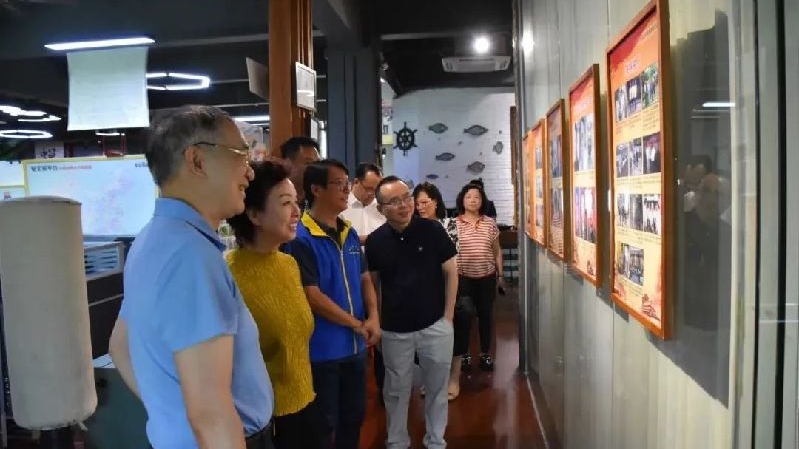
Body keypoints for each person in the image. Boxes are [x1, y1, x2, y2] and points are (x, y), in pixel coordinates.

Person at [108, 105, 274, 449]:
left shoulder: (153, 239)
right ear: (196, 161)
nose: (249, 173)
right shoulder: (191, 257)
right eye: (241, 155)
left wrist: (171, 410)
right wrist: (191, 417)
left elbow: (120, 346)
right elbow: (211, 415)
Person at [225, 161, 327, 449]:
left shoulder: (288, 264)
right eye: (285, 203)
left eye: (297, 202)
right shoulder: (230, 276)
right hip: (265, 422)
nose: (297, 212)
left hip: (307, 403)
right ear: (254, 214)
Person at [282, 159, 380, 449]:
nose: (346, 189)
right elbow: (311, 295)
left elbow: (364, 278)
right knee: (324, 426)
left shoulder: (349, 231)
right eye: (339, 184)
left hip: (356, 347)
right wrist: (356, 324)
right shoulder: (300, 238)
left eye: (347, 183)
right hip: (322, 350)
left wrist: (374, 317)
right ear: (316, 189)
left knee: (354, 418)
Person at [366, 176, 458, 449]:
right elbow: (373, 285)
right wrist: (377, 322)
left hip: (435, 324)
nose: (404, 205)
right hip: (394, 329)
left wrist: (448, 317)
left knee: (437, 388)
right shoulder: (376, 241)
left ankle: (435, 440)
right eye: (394, 201)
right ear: (381, 208)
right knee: (395, 391)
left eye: (407, 197)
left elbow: (451, 272)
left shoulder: (432, 230)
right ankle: (397, 441)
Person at [413, 182, 466, 399]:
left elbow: (453, 257)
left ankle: (454, 379)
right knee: (425, 336)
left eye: (424, 202)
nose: (420, 207)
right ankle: (431, 379)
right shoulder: (412, 227)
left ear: (436, 202)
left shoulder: (448, 224)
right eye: (417, 203)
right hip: (421, 288)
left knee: (453, 329)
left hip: (448, 283)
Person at [455, 182, 506, 372]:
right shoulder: (454, 224)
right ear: (462, 200)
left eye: (477, 197)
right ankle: (465, 355)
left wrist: (500, 275)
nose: (473, 200)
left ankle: (485, 354)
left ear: (482, 201)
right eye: (468, 197)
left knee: (486, 316)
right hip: (463, 278)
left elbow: (497, 251)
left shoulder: (490, 223)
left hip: (486, 277)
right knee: (464, 317)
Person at [340, 163, 385, 245]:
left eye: (376, 189)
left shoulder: (381, 208)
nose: (372, 194)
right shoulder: (340, 206)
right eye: (368, 189)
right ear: (356, 182)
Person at [280, 136, 321, 207]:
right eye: (308, 163)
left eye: (318, 163)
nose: (316, 168)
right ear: (287, 164)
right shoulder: (276, 199)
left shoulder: (319, 198)